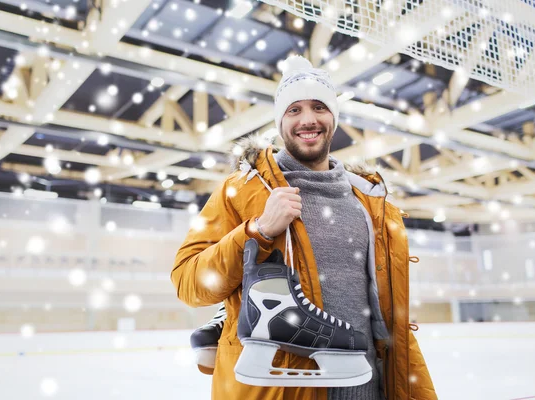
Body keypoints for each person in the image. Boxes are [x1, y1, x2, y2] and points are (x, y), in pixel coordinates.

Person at [171, 55, 437, 400]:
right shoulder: (241, 191)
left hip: (368, 387)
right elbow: (189, 284)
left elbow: (390, 318)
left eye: (318, 108)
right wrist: (258, 231)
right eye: (294, 110)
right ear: (279, 121)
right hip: (283, 389)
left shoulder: (371, 204)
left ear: (334, 118)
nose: (308, 120)